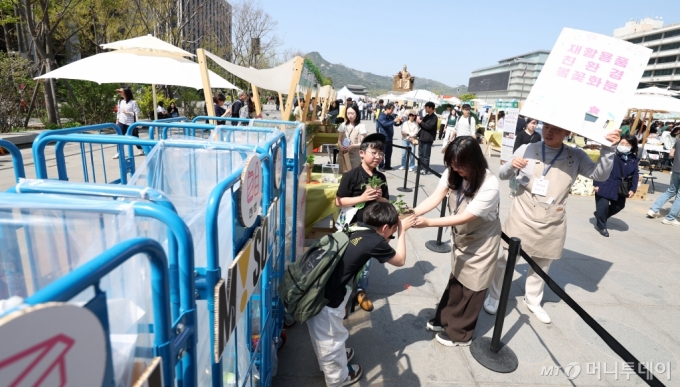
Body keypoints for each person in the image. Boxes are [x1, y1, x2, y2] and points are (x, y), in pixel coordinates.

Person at [484, 123, 620, 324]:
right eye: (546, 126)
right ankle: (494, 295)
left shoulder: (576, 156)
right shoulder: (527, 148)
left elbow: (599, 175)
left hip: (552, 218)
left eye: (556, 128)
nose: (549, 131)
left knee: (542, 262)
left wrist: (608, 150)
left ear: (568, 131)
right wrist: (512, 165)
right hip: (522, 213)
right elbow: (503, 174)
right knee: (505, 258)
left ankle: (533, 300)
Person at [409, 136, 501, 346]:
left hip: (482, 241)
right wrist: (411, 212)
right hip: (462, 236)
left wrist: (428, 223)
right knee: (457, 279)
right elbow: (435, 197)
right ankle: (445, 319)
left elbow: (465, 216)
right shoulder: (453, 172)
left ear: (474, 161)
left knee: (473, 287)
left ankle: (461, 334)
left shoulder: (490, 184)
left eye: (460, 165)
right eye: (452, 164)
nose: (456, 169)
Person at [310, 201, 407, 387]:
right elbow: (400, 260)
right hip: (326, 299)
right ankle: (337, 378)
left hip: (323, 288)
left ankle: (333, 359)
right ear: (385, 227)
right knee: (329, 340)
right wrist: (403, 232)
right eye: (391, 233)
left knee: (328, 334)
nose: (391, 237)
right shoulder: (374, 241)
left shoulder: (356, 226)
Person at [335, 133, 391, 312]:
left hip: (371, 228)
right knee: (346, 261)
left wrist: (381, 198)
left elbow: (387, 203)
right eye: (373, 152)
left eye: (380, 154)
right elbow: (338, 201)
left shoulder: (381, 178)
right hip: (351, 225)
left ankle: (360, 290)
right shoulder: (351, 176)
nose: (377, 157)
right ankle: (340, 292)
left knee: (366, 263)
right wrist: (362, 197)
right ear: (361, 153)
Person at [592, 135, 639, 236]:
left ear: (633, 146)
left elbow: (635, 175)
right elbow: (600, 168)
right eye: (622, 143)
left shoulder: (633, 159)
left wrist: (633, 188)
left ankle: (600, 216)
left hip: (621, 186)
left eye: (628, 144)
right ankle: (602, 226)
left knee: (619, 206)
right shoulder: (610, 154)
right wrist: (596, 184)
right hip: (605, 183)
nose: (624, 146)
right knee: (602, 207)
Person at [647, 133, 680, 225]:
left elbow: (671, 154)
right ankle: (670, 218)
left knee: (671, 191)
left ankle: (653, 210)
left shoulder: (678, 141)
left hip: (676, 169)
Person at [113, 87, 142, 159]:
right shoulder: (120, 101)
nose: (120, 93)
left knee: (134, 137)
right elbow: (119, 112)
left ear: (126, 93)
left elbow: (137, 112)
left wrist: (128, 112)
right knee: (119, 137)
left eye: (121, 92)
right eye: (119, 92)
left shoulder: (133, 102)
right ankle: (119, 152)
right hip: (121, 122)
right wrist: (117, 120)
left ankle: (140, 148)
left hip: (131, 123)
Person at [337, 106, 367, 171]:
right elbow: (339, 140)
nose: (350, 116)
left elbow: (362, 143)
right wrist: (341, 146)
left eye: (352, 113)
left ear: (357, 113)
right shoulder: (343, 125)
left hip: (354, 155)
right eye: (348, 113)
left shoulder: (361, 126)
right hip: (343, 154)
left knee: (353, 174)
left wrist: (352, 146)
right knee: (341, 173)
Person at [375, 103, 402, 171]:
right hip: (383, 138)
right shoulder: (381, 116)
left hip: (390, 138)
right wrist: (393, 121)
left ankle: (387, 165)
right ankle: (381, 166)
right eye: (391, 110)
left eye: (393, 110)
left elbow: (395, 124)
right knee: (382, 153)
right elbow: (385, 124)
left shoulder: (390, 116)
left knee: (389, 153)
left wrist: (400, 121)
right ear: (387, 109)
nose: (392, 111)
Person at [416, 102, 437, 175]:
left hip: (428, 138)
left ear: (431, 108)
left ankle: (425, 169)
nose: (425, 109)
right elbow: (423, 126)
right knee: (420, 154)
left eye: (426, 107)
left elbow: (429, 126)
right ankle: (421, 167)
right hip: (422, 137)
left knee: (426, 155)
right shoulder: (426, 116)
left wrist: (421, 122)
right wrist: (419, 122)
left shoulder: (434, 117)